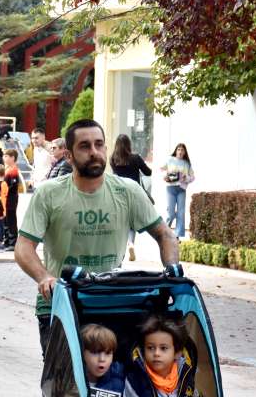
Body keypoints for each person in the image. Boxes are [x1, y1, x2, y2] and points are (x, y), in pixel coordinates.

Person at [15, 119, 179, 355]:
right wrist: (44, 278)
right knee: (66, 386)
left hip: (111, 302)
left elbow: (165, 234)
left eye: (99, 145)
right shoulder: (49, 194)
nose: (94, 152)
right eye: (84, 146)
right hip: (61, 302)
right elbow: (24, 246)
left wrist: (172, 270)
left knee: (113, 383)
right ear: (69, 156)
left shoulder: (128, 191)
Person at [110, 133, 153, 261]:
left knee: (122, 220)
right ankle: (131, 243)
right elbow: (148, 172)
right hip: (134, 193)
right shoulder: (135, 158)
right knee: (132, 221)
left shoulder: (113, 158)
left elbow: (115, 175)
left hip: (118, 193)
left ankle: (121, 248)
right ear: (129, 144)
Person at [161, 143, 194, 239]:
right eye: (179, 149)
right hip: (170, 189)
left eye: (182, 150)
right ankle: (165, 232)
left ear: (184, 152)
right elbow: (161, 170)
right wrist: (164, 176)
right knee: (170, 213)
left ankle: (177, 235)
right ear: (176, 150)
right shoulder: (169, 160)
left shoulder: (187, 164)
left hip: (181, 190)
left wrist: (186, 177)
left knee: (181, 212)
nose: (180, 152)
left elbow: (192, 177)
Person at [1, 149, 22, 249]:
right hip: (6, 198)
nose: (4, 158)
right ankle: (7, 241)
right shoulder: (7, 169)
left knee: (11, 220)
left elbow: (12, 186)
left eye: (6, 156)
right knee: (6, 219)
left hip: (11, 198)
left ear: (12, 157)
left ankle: (12, 242)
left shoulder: (13, 170)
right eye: (4, 156)